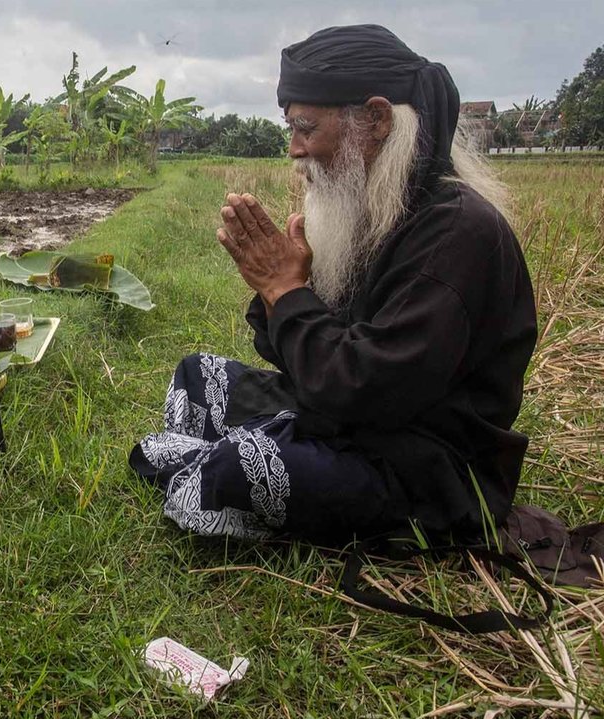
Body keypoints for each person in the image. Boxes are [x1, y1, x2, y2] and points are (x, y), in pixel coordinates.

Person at [130, 24, 536, 544]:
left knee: (240, 468)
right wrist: (281, 290)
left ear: (376, 119)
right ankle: (218, 458)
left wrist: (286, 292)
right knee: (197, 378)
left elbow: (362, 390)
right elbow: (310, 364)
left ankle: (216, 462)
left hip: (426, 465)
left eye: (305, 128)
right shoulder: (378, 210)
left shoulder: (458, 233)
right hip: (350, 421)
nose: (294, 149)